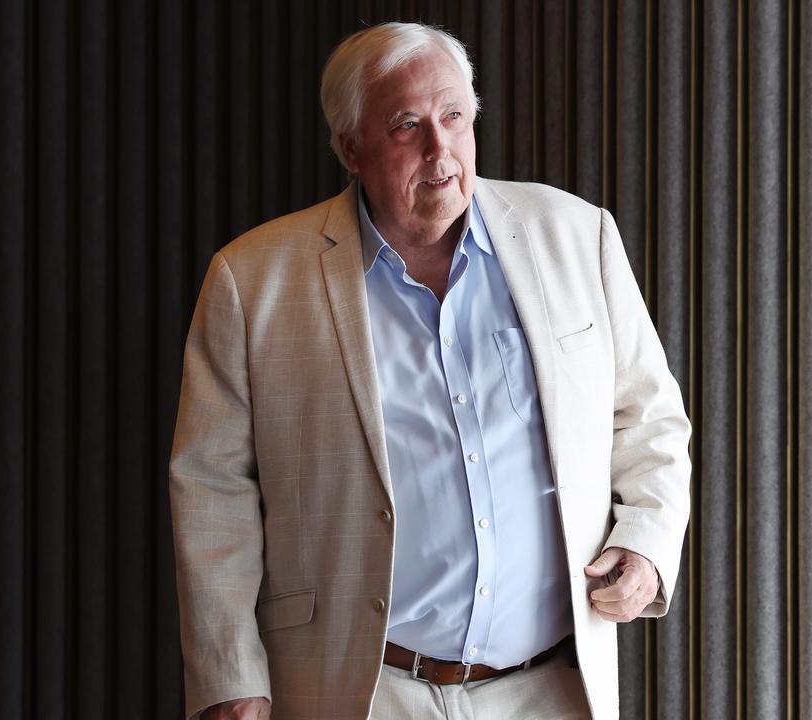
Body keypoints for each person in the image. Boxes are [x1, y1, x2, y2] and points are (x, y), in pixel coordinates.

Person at [169, 22, 690, 720]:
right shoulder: (251, 279)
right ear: (352, 147)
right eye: (406, 125)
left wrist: (648, 542)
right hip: (364, 691)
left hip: (551, 688)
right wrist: (232, 677)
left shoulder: (577, 235)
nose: (439, 149)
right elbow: (211, 488)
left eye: (453, 118)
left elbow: (648, 414)